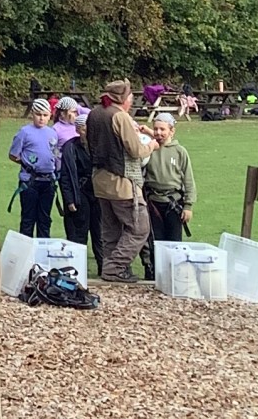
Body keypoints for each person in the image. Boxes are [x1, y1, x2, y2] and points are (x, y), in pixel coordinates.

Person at [84, 79, 153, 282]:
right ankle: (115, 268)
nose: (132, 98)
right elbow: (135, 150)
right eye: (130, 95)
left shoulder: (94, 114)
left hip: (99, 180)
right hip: (122, 182)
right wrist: (152, 146)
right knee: (140, 228)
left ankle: (109, 269)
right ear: (123, 98)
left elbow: (88, 144)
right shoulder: (120, 117)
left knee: (111, 230)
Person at [140, 109, 197, 277]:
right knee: (155, 242)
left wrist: (188, 205)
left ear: (172, 130)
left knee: (174, 243)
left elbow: (188, 180)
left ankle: (175, 276)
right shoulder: (149, 148)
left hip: (174, 203)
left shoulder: (180, 152)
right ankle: (156, 275)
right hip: (153, 202)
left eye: (163, 129)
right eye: (156, 129)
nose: (158, 133)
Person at [54, 98, 101, 271]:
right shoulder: (67, 144)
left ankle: (104, 269)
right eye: (83, 129)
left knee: (99, 232)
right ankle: (76, 270)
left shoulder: (97, 147)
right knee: (78, 232)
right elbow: (65, 174)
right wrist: (69, 199)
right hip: (78, 189)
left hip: (96, 192)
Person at [8, 97, 60, 238]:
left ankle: (42, 252)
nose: (41, 118)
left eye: (45, 115)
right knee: (28, 218)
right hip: (30, 181)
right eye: (38, 114)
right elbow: (13, 154)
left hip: (48, 181)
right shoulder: (25, 132)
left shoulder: (52, 133)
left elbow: (55, 152)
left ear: (50, 115)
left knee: (45, 219)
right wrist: (27, 164)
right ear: (32, 114)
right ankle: (26, 252)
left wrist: (57, 165)